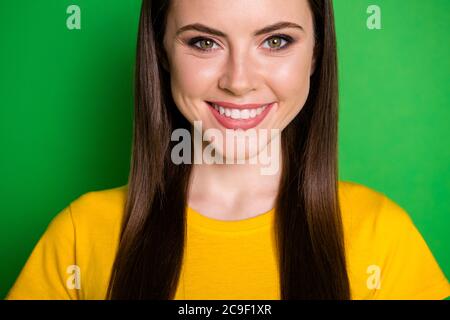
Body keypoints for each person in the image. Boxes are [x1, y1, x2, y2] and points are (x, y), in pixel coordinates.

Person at [6, 0, 450, 300]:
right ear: (161, 53)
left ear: (316, 53)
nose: (239, 81)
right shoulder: (79, 237)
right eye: (204, 42)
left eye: (276, 41)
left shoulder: (383, 237)